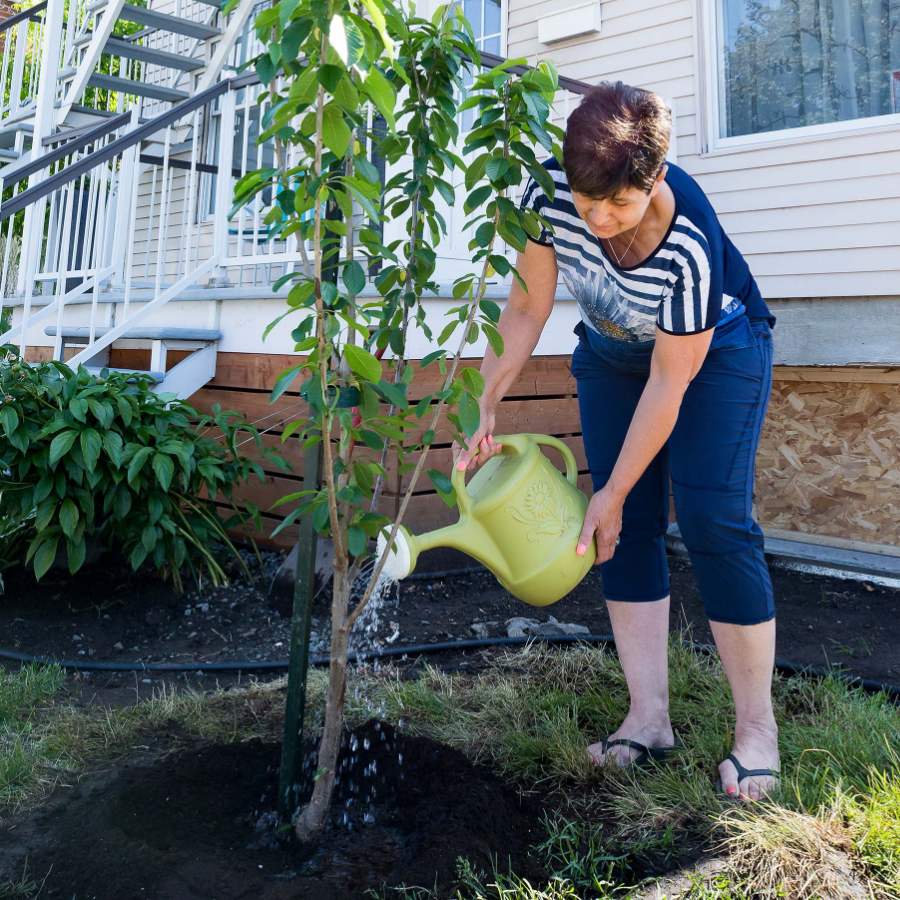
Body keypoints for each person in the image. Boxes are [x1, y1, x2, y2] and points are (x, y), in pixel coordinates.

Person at [454, 82, 779, 802]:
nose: (599, 220)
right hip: (609, 350)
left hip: (713, 352)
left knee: (713, 522)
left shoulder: (689, 242)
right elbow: (527, 304)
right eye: (586, 202)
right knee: (617, 528)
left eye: (618, 206)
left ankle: (758, 733)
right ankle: (648, 719)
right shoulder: (550, 198)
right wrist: (482, 402)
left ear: (655, 178)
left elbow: (670, 382)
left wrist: (617, 485)